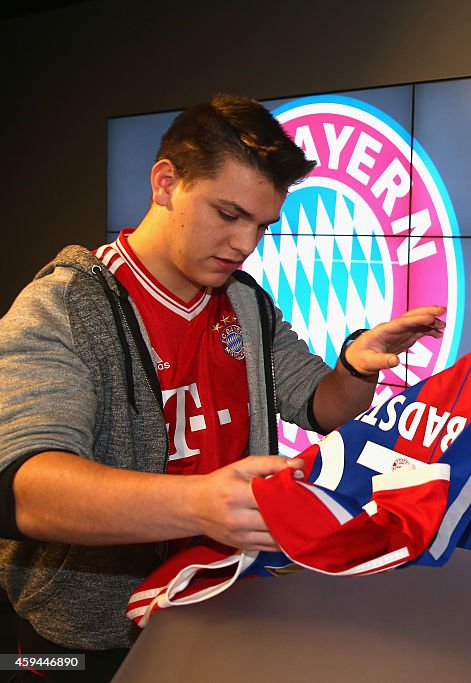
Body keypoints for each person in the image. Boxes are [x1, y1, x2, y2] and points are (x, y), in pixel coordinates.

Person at [0, 94, 445, 680]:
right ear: (165, 183)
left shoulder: (245, 301)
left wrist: (359, 367)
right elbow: (25, 489)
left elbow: (319, 405)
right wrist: (200, 505)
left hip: (218, 602)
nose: (245, 245)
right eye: (228, 214)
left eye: (261, 225)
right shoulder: (63, 307)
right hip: (73, 647)